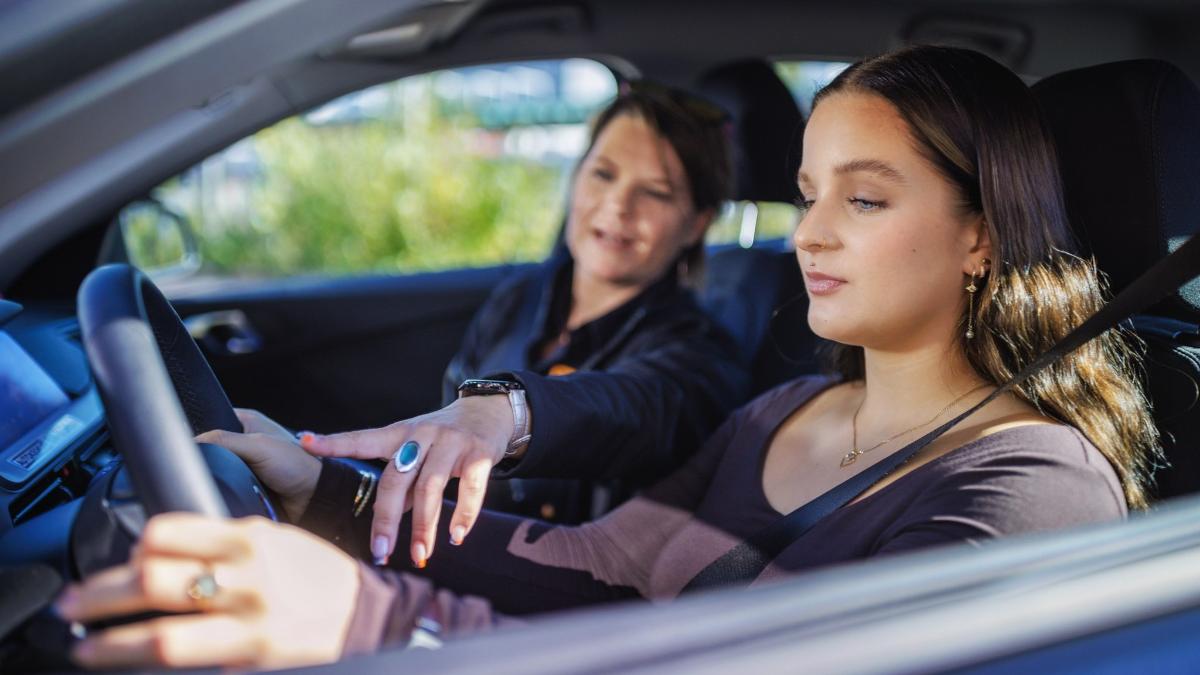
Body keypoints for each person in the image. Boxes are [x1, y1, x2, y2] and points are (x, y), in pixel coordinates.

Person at [57, 45, 1160, 671]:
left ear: (983, 233)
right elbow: (598, 565)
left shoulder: (1029, 491)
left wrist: (369, 621)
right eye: (809, 195)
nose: (807, 235)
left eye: (863, 199)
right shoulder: (783, 412)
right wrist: (323, 499)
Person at [221, 82, 750, 567]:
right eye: (603, 173)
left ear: (696, 223)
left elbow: (632, 407)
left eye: (655, 192)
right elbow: (438, 481)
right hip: (449, 565)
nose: (617, 205)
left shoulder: (701, 356)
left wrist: (509, 413)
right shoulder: (518, 300)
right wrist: (319, 480)